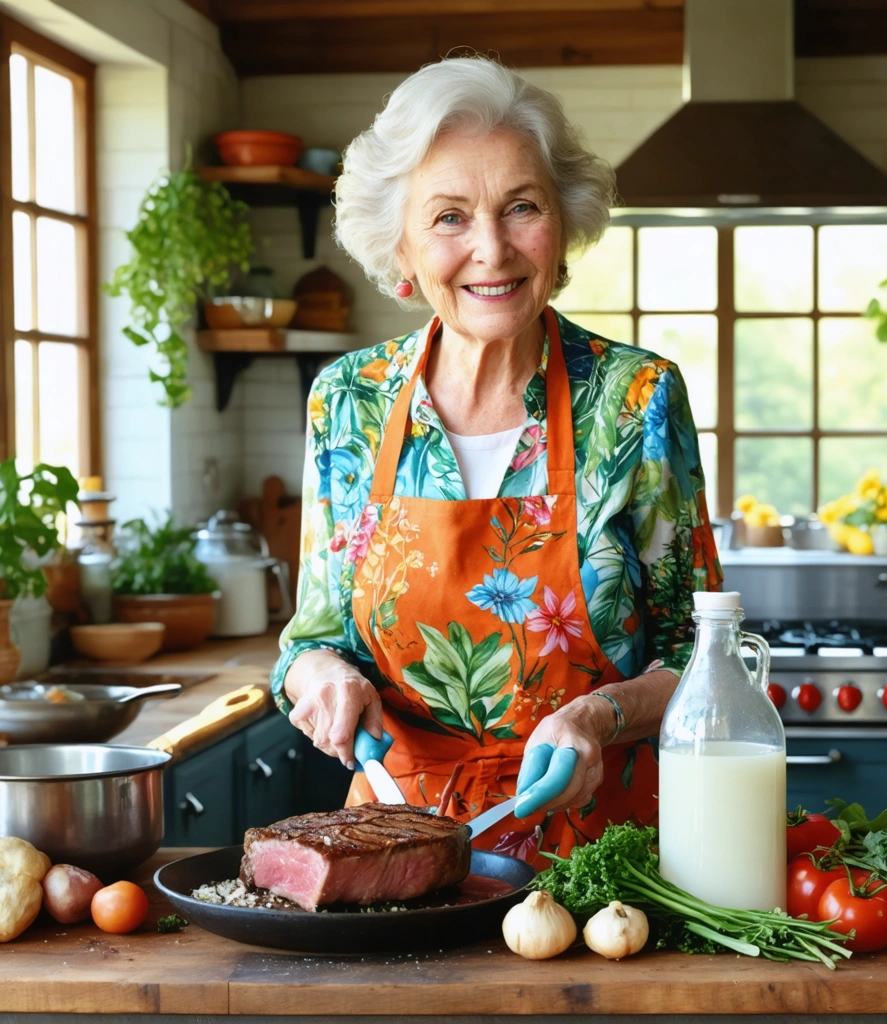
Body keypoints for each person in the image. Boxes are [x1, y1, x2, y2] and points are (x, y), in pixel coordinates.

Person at [270, 55, 721, 857]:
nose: (492, 249)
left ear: (561, 228)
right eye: (448, 217)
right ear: (401, 250)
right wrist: (326, 683)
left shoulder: (635, 398)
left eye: (521, 208)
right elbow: (310, 643)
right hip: (397, 848)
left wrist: (596, 717)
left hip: (606, 859)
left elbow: (705, 660)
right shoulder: (349, 402)